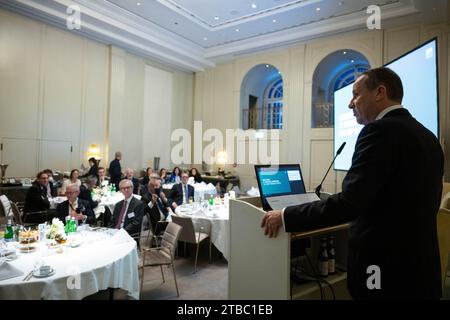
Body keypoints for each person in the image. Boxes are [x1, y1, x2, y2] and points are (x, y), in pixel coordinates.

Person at [261, 67, 444, 299]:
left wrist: (285, 216)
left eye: (356, 94)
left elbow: (349, 203)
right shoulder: (428, 137)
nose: (350, 104)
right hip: (421, 268)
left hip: (383, 268)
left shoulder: (379, 131)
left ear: (380, 92)